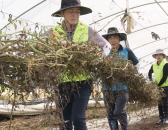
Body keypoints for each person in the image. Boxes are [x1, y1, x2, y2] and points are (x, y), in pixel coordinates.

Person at [51, 0, 112, 129]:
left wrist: (98, 60)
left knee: (78, 118)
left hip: (83, 82)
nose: (75, 15)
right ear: (62, 13)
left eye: (77, 12)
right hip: (62, 83)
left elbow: (106, 45)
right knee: (64, 122)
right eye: (71, 11)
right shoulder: (53, 32)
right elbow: (44, 51)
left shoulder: (87, 29)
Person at [102, 27, 141, 130]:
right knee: (110, 114)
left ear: (119, 39)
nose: (112, 40)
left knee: (119, 111)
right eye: (110, 38)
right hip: (107, 88)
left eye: (115, 37)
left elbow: (137, 64)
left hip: (122, 88)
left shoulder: (126, 51)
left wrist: (132, 76)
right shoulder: (104, 52)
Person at [148, 49, 168, 124]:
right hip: (159, 87)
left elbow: (164, 77)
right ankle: (161, 118)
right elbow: (149, 72)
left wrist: (157, 86)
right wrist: (151, 80)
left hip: (167, 86)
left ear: (163, 56)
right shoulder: (154, 65)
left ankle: (166, 118)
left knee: (165, 102)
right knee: (159, 102)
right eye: (157, 55)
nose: (158, 56)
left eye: (160, 55)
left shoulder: (166, 65)